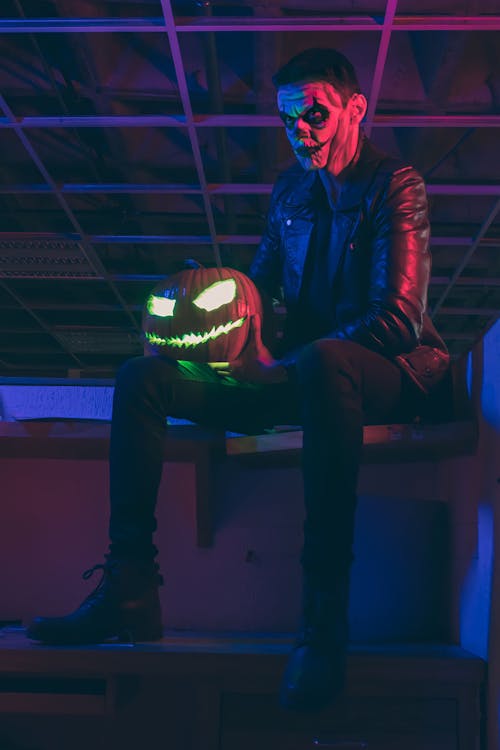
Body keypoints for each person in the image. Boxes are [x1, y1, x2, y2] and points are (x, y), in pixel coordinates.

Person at [27, 48, 449, 712]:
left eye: (315, 114)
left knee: (325, 360)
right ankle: (130, 588)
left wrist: (284, 361)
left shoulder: (395, 184)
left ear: (355, 110)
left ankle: (321, 620)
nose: (301, 131)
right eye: (289, 121)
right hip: (306, 375)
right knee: (143, 376)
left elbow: (399, 318)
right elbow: (263, 302)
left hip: (389, 372)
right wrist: (219, 323)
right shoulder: (290, 194)